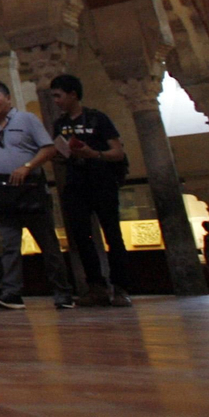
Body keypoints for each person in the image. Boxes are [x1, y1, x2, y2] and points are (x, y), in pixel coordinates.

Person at [0, 81, 74, 310]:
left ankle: (63, 294)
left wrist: (27, 166)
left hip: (30, 189)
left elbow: (49, 148)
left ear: (8, 98)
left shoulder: (27, 120)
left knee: (48, 245)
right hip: (4, 191)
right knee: (9, 245)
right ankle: (12, 292)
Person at [50, 74, 132, 307]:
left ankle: (121, 287)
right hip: (76, 184)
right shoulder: (60, 124)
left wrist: (94, 154)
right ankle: (95, 286)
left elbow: (118, 152)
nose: (55, 101)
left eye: (58, 95)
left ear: (73, 94)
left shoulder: (98, 119)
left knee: (112, 235)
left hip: (102, 182)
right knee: (82, 237)